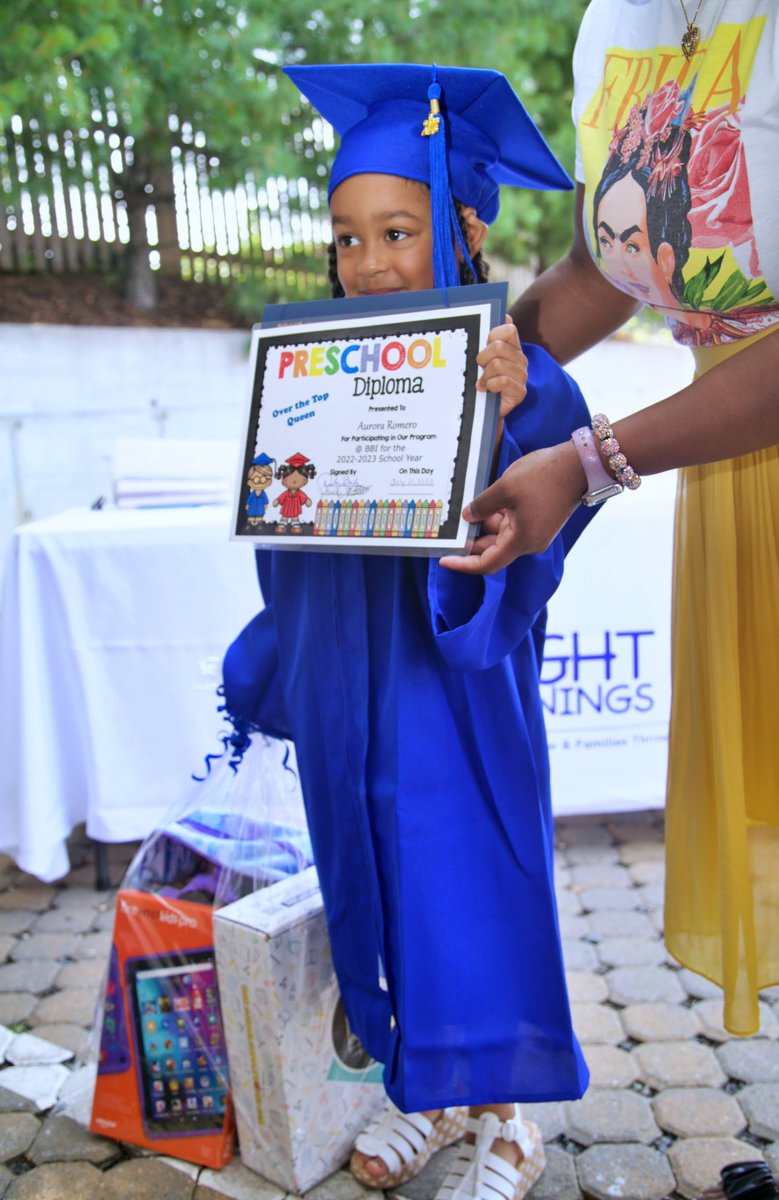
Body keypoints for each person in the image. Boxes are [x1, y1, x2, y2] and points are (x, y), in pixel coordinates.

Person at [442, 5, 779, 1198]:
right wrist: (450, 360)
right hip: (740, 457)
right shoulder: (624, 24)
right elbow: (613, 267)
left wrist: (589, 459)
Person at [222, 63, 596, 1200]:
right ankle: (424, 1094)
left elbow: (543, 509)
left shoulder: (512, 373)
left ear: (463, 227)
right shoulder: (323, 369)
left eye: (396, 230)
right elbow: (294, 539)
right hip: (356, 689)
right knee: (375, 878)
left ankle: (507, 1118)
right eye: (345, 238)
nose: (367, 262)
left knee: (467, 879)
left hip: (451, 691)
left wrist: (510, 406)